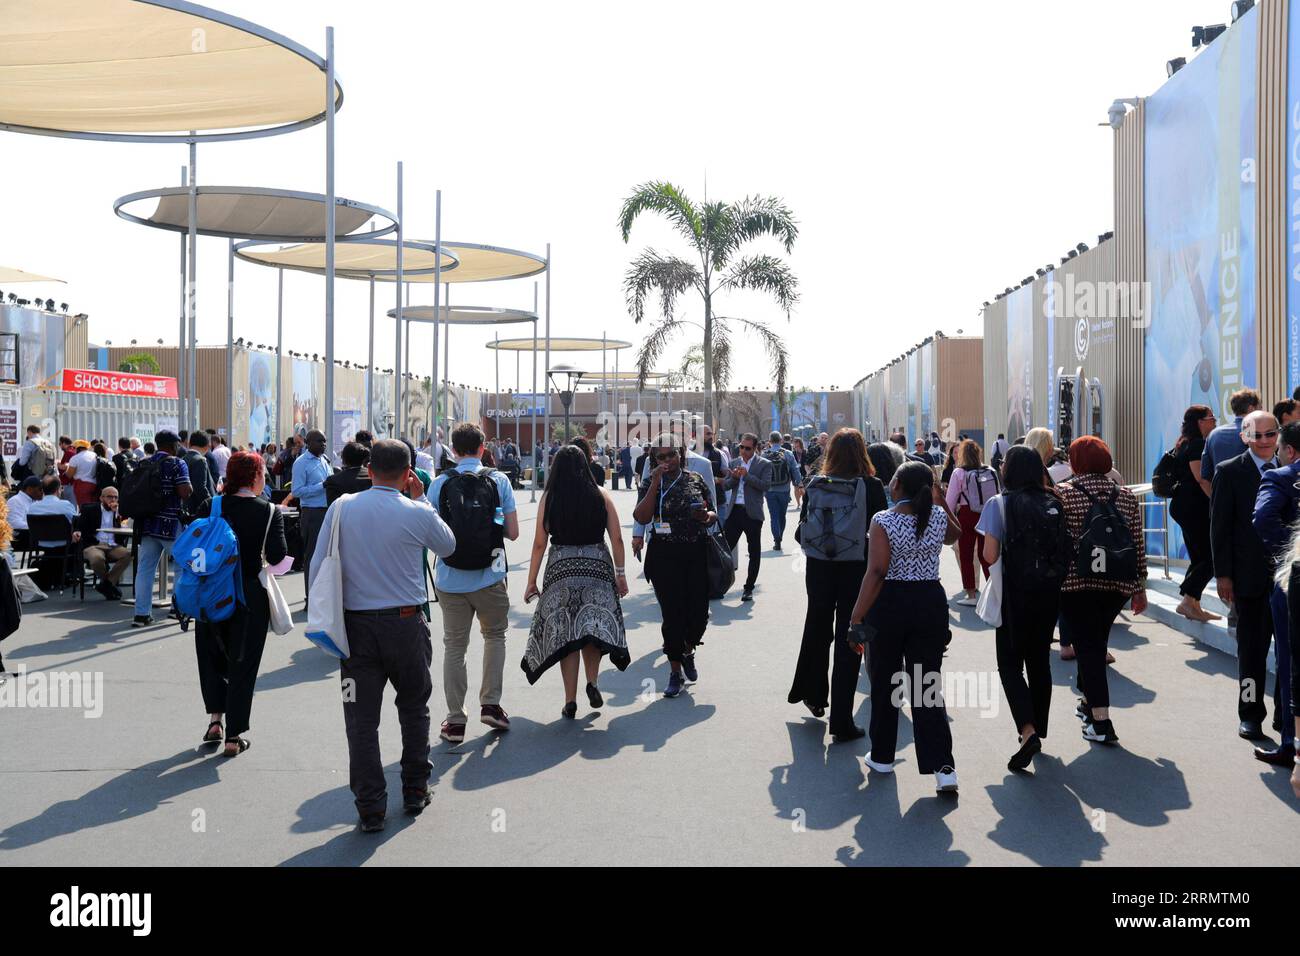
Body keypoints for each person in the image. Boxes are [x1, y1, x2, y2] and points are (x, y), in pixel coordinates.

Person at [310, 440, 456, 831]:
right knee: (414, 708)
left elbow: (318, 563)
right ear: (409, 473)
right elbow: (448, 545)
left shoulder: (342, 508)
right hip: (406, 625)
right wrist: (422, 500)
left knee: (360, 720)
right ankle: (415, 788)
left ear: (370, 469)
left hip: (356, 629)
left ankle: (370, 805)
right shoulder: (416, 511)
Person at [849, 460, 962, 791]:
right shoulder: (937, 516)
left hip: (891, 603)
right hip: (930, 601)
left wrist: (856, 616)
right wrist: (939, 498)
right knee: (926, 684)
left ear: (896, 484)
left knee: (885, 681)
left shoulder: (883, 520)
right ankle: (943, 768)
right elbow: (955, 535)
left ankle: (882, 756)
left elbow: (877, 572)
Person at [787, 428, 887, 739]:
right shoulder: (870, 486)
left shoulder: (817, 483)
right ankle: (842, 721)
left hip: (818, 568)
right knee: (851, 636)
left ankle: (814, 695)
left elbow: (801, 531)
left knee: (817, 629)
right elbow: (883, 527)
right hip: (857, 570)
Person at [191, 452, 287, 757]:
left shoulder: (212, 505)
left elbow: (195, 547)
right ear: (256, 476)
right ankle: (234, 736)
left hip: (210, 593)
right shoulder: (269, 511)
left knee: (211, 658)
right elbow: (276, 556)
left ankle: (214, 722)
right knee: (243, 665)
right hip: (248, 595)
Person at [522, 445, 630, 714]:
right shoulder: (601, 495)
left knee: (566, 634)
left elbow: (538, 543)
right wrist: (621, 574)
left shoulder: (549, 498)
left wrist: (531, 581)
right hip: (597, 568)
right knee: (592, 628)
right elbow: (616, 538)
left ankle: (570, 700)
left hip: (561, 569)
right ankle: (592, 682)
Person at [429, 423, 519, 743]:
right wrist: (490, 525)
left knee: (455, 646)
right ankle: (491, 705)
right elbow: (512, 532)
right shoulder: (498, 480)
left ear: (453, 450)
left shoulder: (440, 484)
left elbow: (433, 533)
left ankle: (455, 721)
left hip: (451, 578)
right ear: (483, 448)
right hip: (490, 575)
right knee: (494, 636)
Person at [978, 446, 1067, 771]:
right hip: (1048, 591)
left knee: (1009, 664)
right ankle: (1038, 728)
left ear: (1008, 470)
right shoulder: (1053, 502)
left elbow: (989, 555)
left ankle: (1027, 730)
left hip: (1014, 594)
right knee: (1039, 660)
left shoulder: (999, 504)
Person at [1058, 436, 1148, 744]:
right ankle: (1087, 704)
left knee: (1090, 648)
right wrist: (1140, 586)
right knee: (1094, 641)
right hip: (1117, 583)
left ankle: (1100, 721)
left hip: (1076, 583)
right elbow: (1136, 541)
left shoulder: (1064, 494)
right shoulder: (1124, 495)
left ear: (1075, 462)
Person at [1212, 410, 1281, 743]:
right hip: (1248, 580)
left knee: (1289, 653)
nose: (1265, 441)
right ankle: (1251, 715)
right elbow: (1220, 529)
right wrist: (1223, 576)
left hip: (1286, 580)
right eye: (1258, 435)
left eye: (1271, 434)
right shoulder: (1229, 473)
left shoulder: (1290, 469)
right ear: (1244, 437)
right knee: (1251, 653)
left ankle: (1286, 718)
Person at [632, 434, 717, 698]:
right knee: (672, 615)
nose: (667, 460)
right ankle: (675, 672)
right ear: (654, 459)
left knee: (699, 614)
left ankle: (688, 648)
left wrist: (706, 516)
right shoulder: (650, 481)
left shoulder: (696, 479)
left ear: (680, 454)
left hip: (695, 551)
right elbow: (641, 516)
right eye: (661, 457)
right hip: (664, 555)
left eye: (671, 455)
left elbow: (714, 513)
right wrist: (655, 482)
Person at [1252, 419, 1300, 767]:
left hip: (1293, 583)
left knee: (1291, 664)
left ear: (1290, 450)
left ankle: (1292, 745)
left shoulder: (1280, 477)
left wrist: (1292, 555)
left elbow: (1263, 518)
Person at [132, 431, 192, 627]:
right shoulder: (177, 463)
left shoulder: (144, 463)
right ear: (172, 445)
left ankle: (141, 614)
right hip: (170, 523)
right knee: (183, 566)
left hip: (147, 524)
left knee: (145, 569)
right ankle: (178, 609)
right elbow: (184, 492)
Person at [1168, 404, 1220, 622]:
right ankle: (1188, 600)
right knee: (1211, 558)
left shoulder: (1184, 443)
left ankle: (1193, 605)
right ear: (1200, 422)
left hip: (1184, 506)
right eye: (1211, 417)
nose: (1215, 421)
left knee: (1199, 557)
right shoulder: (1198, 443)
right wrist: (1217, 502)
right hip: (1193, 508)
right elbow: (1200, 478)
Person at [945, 439, 997, 606]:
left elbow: (950, 500)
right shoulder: (990, 470)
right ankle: (994, 592)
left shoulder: (959, 473)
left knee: (966, 555)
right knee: (987, 555)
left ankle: (971, 595)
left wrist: (948, 518)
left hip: (967, 515)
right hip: (987, 514)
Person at [722, 433, 773, 601]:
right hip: (734, 511)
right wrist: (735, 478)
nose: (743, 451)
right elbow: (727, 485)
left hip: (752, 514)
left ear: (755, 448)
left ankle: (749, 588)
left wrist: (746, 476)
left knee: (754, 552)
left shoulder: (764, 464)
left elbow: (765, 486)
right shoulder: (734, 462)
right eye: (741, 447)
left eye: (747, 448)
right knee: (724, 550)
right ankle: (719, 583)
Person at [289, 430, 331, 602]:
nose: (324, 445)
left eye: (325, 441)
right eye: (320, 441)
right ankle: (311, 596)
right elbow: (296, 491)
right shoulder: (301, 463)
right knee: (313, 556)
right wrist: (322, 486)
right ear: (309, 442)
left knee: (326, 557)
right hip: (312, 514)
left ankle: (323, 596)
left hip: (326, 511)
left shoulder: (324, 459)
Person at [78, 485, 130, 601]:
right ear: (101, 498)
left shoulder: (119, 512)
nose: (113, 500)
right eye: (109, 497)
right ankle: (108, 585)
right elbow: (81, 528)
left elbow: (124, 530)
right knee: (97, 559)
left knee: (128, 555)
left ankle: (106, 585)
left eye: (116, 497)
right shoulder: (90, 509)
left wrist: (118, 516)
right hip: (94, 544)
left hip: (112, 545)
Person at [1203, 388, 1262, 477]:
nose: (1262, 412)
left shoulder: (1213, 434)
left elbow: (1204, 475)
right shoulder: (1252, 432)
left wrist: (1216, 491)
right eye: (1260, 408)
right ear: (1251, 409)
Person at [762, 431, 803, 550]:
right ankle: (780, 536)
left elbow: (760, 472)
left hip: (770, 490)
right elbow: (795, 470)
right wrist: (799, 484)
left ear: (769, 441)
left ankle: (777, 539)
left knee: (773, 515)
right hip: (784, 489)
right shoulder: (788, 454)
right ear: (781, 441)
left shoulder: (764, 455)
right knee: (782, 515)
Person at [181, 430, 215, 518]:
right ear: (207, 446)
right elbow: (200, 488)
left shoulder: (183, 458)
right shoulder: (200, 460)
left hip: (187, 508)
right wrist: (212, 505)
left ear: (189, 443)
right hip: (199, 510)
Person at [66, 439, 98, 506]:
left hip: (82, 485)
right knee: (94, 508)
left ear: (78, 448)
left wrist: (66, 470)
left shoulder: (75, 458)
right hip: (95, 484)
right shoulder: (94, 455)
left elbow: (69, 475)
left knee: (84, 508)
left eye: (74, 448)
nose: (73, 450)